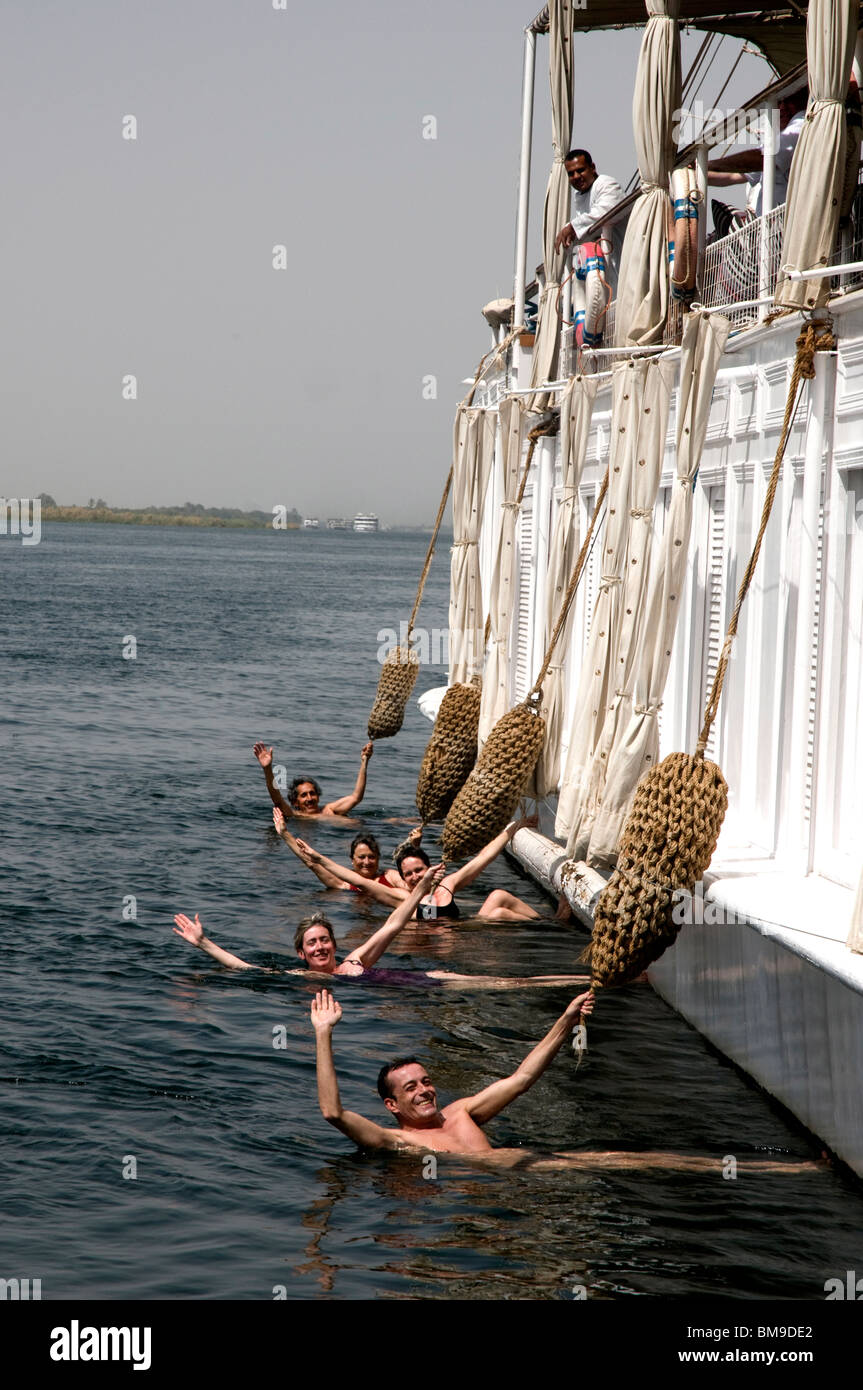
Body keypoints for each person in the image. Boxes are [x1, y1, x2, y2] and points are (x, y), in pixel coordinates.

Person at [310, 990, 823, 1175]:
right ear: (391, 1104)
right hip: (497, 1188)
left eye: (426, 1081)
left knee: (641, 1160)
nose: (425, 1090)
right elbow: (333, 1113)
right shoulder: (395, 1139)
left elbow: (523, 1076)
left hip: (535, 1169)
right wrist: (323, 1035)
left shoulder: (462, 1112)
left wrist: (567, 1016)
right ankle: (787, 1171)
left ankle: (784, 1171)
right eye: (412, 1089)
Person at [172, 864, 589, 991]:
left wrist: (423, 887)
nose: (319, 947)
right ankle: (590, 984)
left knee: (511, 983)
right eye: (312, 944)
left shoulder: (354, 960)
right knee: (515, 986)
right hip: (419, 991)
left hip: (429, 980)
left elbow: (393, 924)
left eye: (323, 941)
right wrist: (204, 942)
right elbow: (246, 971)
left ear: (334, 945)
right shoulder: (299, 976)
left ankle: (590, 979)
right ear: (301, 953)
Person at [277, 813, 569, 922]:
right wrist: (316, 857)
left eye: (419, 870)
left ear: (432, 868)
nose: (416, 876)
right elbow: (357, 880)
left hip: (467, 929)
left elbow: (483, 859)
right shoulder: (406, 899)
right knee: (499, 910)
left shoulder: (447, 885)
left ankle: (550, 926)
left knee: (498, 897)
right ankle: (554, 926)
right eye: (410, 874)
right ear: (404, 879)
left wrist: (514, 828)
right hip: (450, 942)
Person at [707, 89, 807, 220]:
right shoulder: (775, 142)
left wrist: (710, 164)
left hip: (790, 227)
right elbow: (733, 175)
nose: (782, 108)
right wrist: (698, 173)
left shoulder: (802, 124)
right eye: (779, 102)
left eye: (789, 101)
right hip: (772, 231)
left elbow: (762, 158)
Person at [273, 817, 418, 897]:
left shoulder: (389, 876)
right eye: (361, 857)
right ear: (352, 859)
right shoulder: (344, 884)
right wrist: (285, 834)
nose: (366, 862)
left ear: (378, 858)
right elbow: (312, 864)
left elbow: (412, 885)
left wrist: (416, 846)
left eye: (371, 857)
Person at [553, 149, 625, 286]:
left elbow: (604, 212)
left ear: (592, 168)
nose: (576, 176)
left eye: (580, 170)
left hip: (626, 261)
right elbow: (584, 228)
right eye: (571, 174)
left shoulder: (606, 184)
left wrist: (573, 227)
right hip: (608, 273)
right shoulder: (580, 196)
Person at [253, 740, 373, 821]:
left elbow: (356, 797)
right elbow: (277, 799)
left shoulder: (329, 809)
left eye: (312, 793)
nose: (309, 798)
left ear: (318, 797)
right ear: (295, 802)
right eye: (304, 795)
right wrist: (267, 768)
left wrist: (364, 761)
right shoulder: (295, 815)